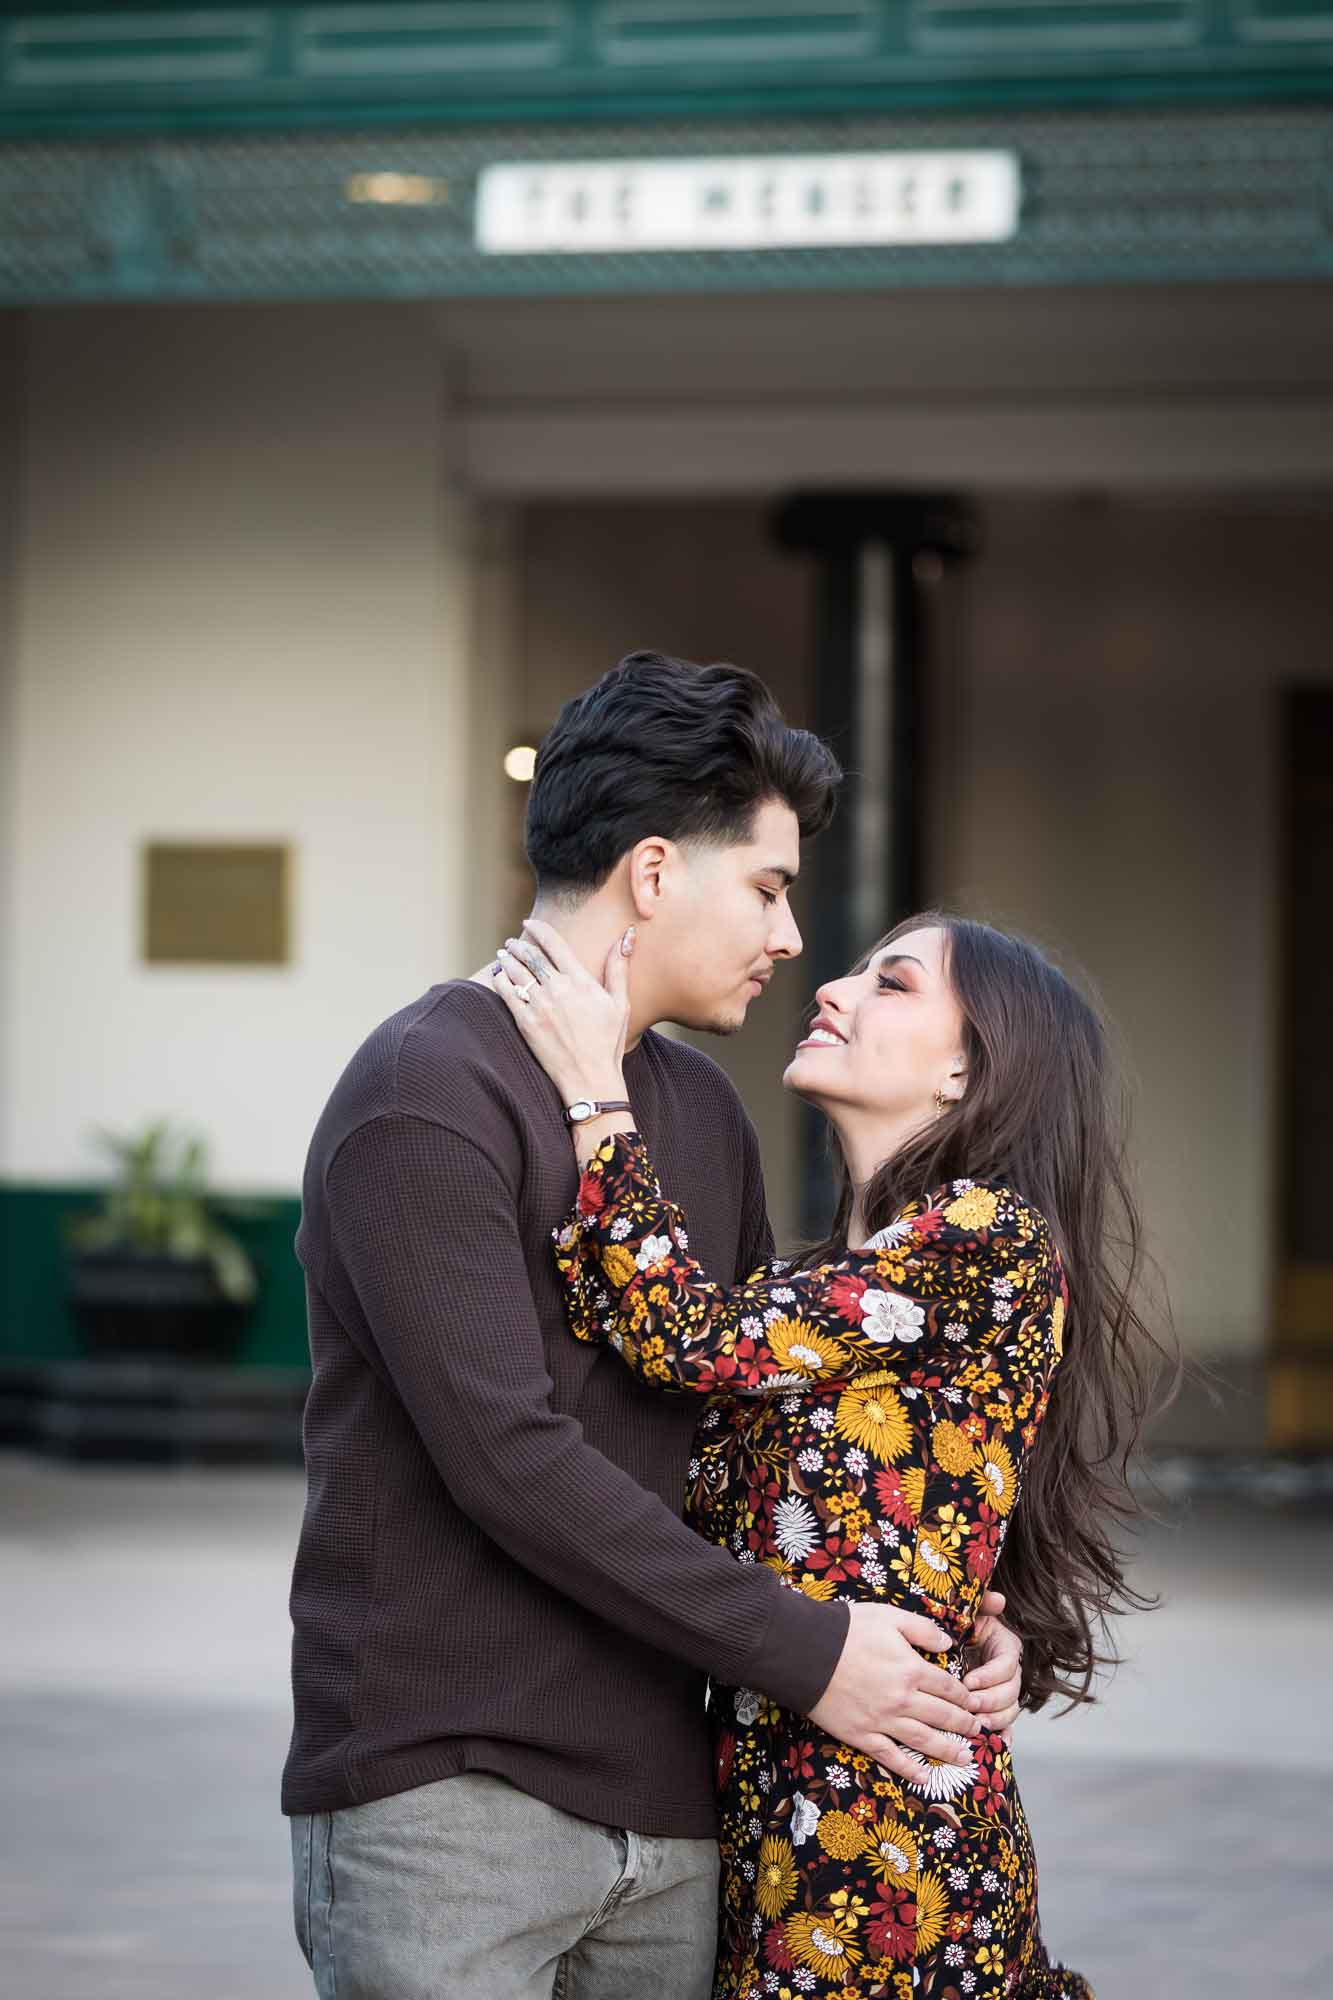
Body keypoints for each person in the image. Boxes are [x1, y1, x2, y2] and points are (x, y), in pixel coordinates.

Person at [283, 653, 1025, 2000]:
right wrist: (810, 1656)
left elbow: (759, 1438)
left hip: (675, 1810)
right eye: (768, 887)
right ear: (653, 871)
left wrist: (964, 1613)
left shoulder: (699, 1111)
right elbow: (508, 1457)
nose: (791, 939)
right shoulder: (424, 1090)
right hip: (451, 1799)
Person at [494, 906, 1168, 1998]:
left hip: (887, 1834)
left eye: (890, 982)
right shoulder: (806, 1291)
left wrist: (592, 1092)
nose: (833, 988)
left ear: (966, 1069)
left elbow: (685, 1339)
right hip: (774, 1809)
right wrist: (980, 1615)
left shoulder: (987, 1233)